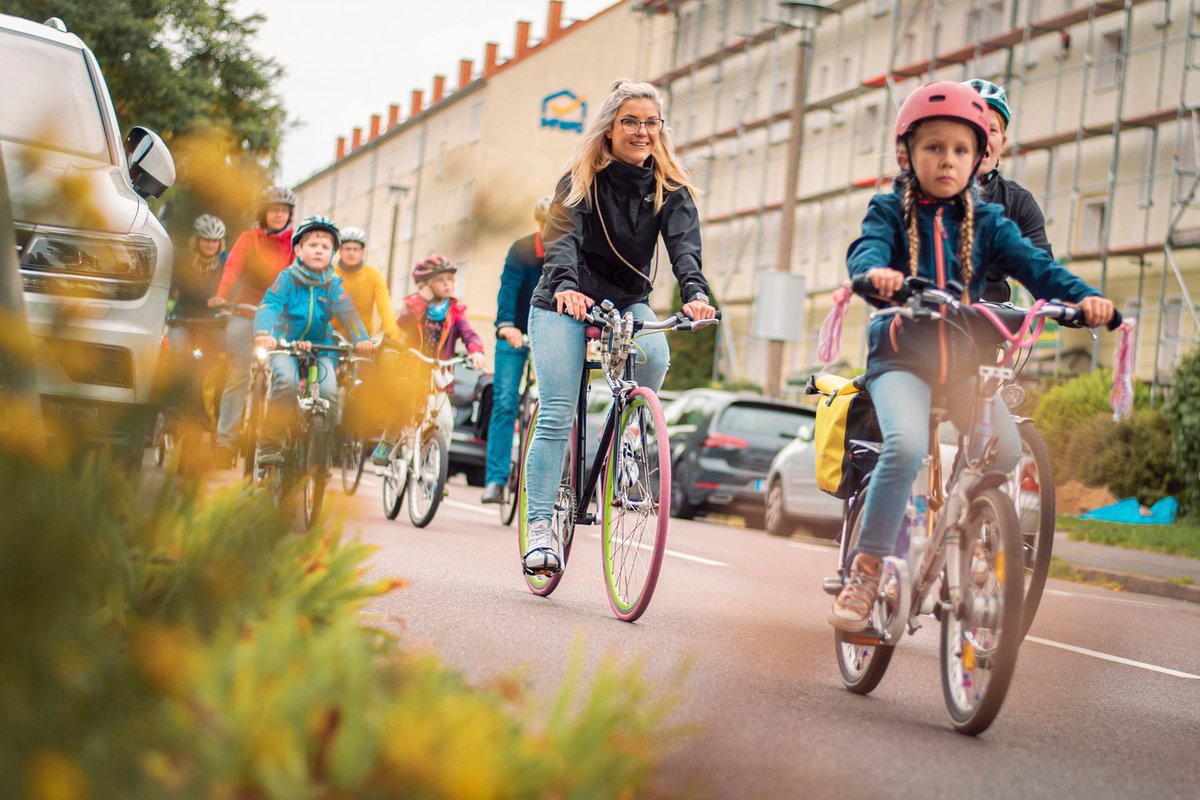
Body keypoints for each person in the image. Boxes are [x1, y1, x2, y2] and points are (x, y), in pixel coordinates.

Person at [828, 81, 1114, 632]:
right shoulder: (890, 209)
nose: (947, 160)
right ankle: (865, 573)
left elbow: (1038, 268)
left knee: (1005, 452)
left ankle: (964, 536)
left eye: (961, 150)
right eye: (933, 148)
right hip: (901, 362)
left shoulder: (990, 222)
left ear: (980, 157)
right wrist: (876, 277)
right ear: (905, 155)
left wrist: (1081, 299)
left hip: (961, 366)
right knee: (907, 447)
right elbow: (864, 251)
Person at [521, 79, 717, 576]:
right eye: (631, 121)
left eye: (652, 122)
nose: (643, 131)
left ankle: (628, 437)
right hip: (563, 301)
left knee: (656, 356)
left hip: (627, 301)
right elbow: (561, 237)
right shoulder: (579, 178)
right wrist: (566, 286)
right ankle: (541, 528)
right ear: (610, 128)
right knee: (559, 409)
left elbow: (684, 248)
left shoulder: (669, 188)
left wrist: (694, 293)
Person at [252, 216, 373, 463]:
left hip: (320, 350)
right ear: (298, 249)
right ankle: (270, 443)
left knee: (329, 392)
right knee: (286, 381)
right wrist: (264, 334)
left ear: (332, 254)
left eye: (325, 247)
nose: (319, 250)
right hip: (285, 345)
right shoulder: (287, 278)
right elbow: (270, 305)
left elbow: (347, 313)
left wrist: (361, 339)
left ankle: (322, 454)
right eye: (313, 245)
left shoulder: (332, 285)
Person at [209, 186, 296, 467]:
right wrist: (223, 294)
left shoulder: (294, 244)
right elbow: (233, 266)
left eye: (284, 210)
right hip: (245, 312)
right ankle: (226, 443)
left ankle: (275, 438)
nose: (279, 215)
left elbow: (297, 278)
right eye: (274, 210)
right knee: (238, 376)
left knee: (285, 378)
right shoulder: (249, 239)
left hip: (278, 318)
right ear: (264, 213)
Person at [370, 255, 486, 465]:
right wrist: (421, 300)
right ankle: (387, 441)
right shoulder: (415, 307)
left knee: (444, 420)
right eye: (441, 280)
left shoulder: (454, 312)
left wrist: (476, 350)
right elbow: (400, 326)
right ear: (426, 284)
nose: (448, 284)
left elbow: (469, 333)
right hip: (412, 370)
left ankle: (434, 468)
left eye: (451, 280)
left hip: (438, 375)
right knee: (403, 402)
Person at [480, 197, 552, 505]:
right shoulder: (522, 250)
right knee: (506, 400)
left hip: (550, 335)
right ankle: (495, 481)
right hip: (516, 333)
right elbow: (508, 288)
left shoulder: (574, 251)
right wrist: (507, 324)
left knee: (553, 405)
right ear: (540, 224)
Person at [963, 78, 1054, 303]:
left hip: (987, 325)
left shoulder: (1016, 202)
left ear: (1002, 143)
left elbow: (1042, 270)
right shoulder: (924, 194)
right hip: (927, 323)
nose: (982, 137)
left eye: (991, 129)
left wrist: (1074, 300)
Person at [168, 214, 228, 354]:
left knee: (223, 356)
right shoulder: (181, 259)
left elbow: (235, 289)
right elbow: (169, 287)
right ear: (197, 240)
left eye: (215, 241)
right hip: (183, 320)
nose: (211, 245)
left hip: (214, 323)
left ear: (221, 243)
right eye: (206, 240)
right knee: (178, 355)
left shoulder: (227, 264)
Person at [333, 226, 401, 341]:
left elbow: (384, 307)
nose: (351, 253)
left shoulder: (374, 275)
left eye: (356, 249)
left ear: (362, 252)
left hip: (362, 341)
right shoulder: (330, 273)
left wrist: (393, 334)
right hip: (332, 338)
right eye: (347, 249)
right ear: (339, 251)